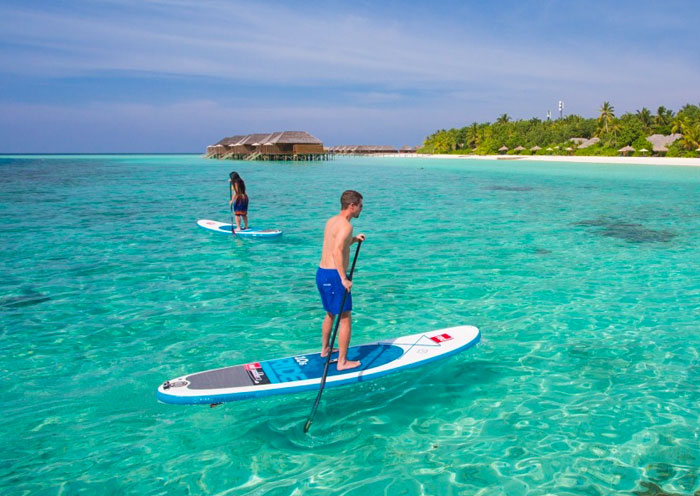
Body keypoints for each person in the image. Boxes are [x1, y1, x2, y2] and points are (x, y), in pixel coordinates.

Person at [316, 190, 366, 370]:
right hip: (334, 276)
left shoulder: (332, 221)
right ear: (352, 206)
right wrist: (343, 278)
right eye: (360, 205)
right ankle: (343, 362)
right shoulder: (346, 226)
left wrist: (353, 240)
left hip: (322, 273)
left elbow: (337, 243)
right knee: (345, 318)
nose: (361, 209)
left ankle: (325, 349)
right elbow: (337, 251)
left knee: (330, 313)